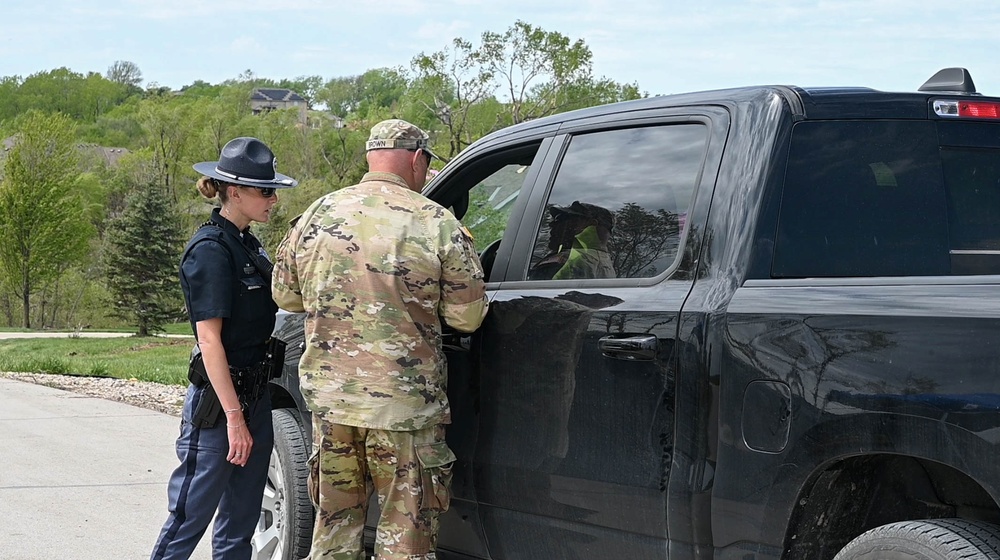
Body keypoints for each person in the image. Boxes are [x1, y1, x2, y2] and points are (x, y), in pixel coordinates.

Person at [271, 119, 488, 560]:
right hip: (403, 409)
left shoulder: (317, 214)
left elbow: (285, 296)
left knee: (333, 535)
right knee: (403, 542)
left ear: (371, 158)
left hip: (333, 406)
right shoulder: (435, 223)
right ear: (416, 158)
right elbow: (466, 318)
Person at [151, 137, 298, 559]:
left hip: (255, 395)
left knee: (241, 521)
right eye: (265, 191)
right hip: (220, 405)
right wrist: (234, 418)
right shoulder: (211, 250)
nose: (273, 199)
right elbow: (209, 340)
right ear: (235, 192)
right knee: (189, 517)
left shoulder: (249, 243)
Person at [528, 201, 617, 280]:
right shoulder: (606, 263)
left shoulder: (564, 263)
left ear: (590, 225)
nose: (552, 224)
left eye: (561, 218)